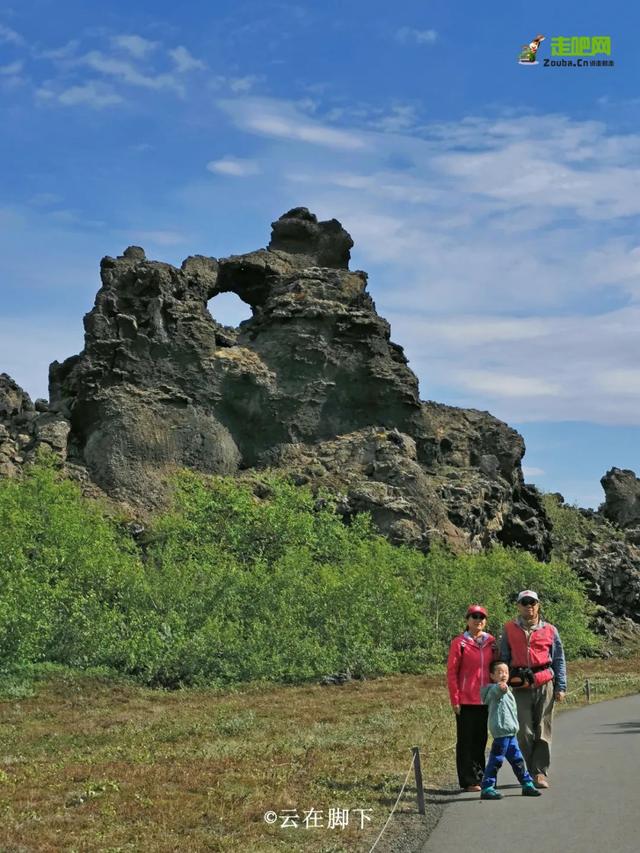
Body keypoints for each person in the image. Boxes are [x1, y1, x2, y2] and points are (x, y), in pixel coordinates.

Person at [500, 589, 567, 789]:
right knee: (524, 731)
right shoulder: (509, 629)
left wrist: (561, 687)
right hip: (519, 684)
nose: (529, 605)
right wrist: (501, 682)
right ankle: (529, 771)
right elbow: (503, 658)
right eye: (524, 602)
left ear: (538, 605)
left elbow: (558, 659)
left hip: (545, 681)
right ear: (518, 606)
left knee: (543, 730)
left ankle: (539, 772)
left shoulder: (550, 630)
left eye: (533, 602)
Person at [447, 604, 497, 792]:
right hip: (466, 700)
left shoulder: (491, 642)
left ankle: (480, 777)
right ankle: (468, 780)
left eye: (481, 617)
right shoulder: (459, 643)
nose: (478, 620)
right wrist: (455, 699)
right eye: (474, 617)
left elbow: (497, 668)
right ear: (467, 620)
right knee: (466, 741)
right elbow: (452, 673)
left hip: (485, 699)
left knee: (481, 739)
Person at [479, 660, 541, 800]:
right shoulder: (494, 690)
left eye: (506, 672)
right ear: (492, 676)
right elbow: (493, 696)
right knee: (496, 760)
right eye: (499, 672)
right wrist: (499, 688)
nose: (503, 675)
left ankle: (527, 784)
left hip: (511, 733)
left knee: (518, 760)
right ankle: (488, 787)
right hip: (501, 733)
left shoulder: (508, 691)